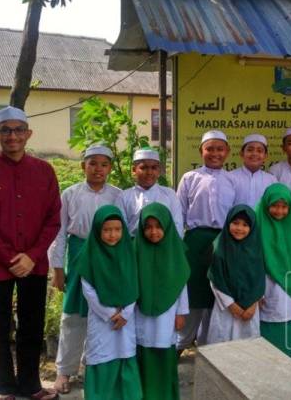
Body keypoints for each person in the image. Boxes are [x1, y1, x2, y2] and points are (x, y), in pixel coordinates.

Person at [0, 106, 61, 400]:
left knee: (32, 324)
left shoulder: (44, 171)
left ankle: (30, 384)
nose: (13, 136)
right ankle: (5, 388)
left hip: (34, 263)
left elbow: (53, 218)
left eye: (18, 129)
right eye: (6, 130)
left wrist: (32, 255)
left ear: (28, 134)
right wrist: (11, 258)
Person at [48, 144, 121, 395]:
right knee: (73, 314)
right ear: (83, 166)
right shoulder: (70, 194)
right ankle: (64, 371)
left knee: (104, 314)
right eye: (92, 163)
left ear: (110, 167)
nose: (98, 169)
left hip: (109, 257)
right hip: (79, 256)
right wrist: (57, 267)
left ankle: (95, 366)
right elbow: (59, 233)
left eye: (103, 164)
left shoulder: (118, 196)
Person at [176, 130, 236, 349]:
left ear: (227, 152)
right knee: (192, 295)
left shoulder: (232, 180)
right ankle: (180, 344)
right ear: (201, 150)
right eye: (209, 148)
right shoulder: (190, 178)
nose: (215, 153)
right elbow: (178, 214)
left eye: (220, 149)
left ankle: (208, 350)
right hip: (193, 243)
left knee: (216, 297)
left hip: (223, 243)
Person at [78, 205, 141, 400]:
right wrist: (109, 313)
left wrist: (126, 313)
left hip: (125, 320)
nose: (112, 235)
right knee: (101, 354)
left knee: (124, 352)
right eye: (106, 230)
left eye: (117, 229)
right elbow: (88, 289)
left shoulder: (129, 253)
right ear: (97, 230)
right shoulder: (90, 254)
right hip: (102, 319)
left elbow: (135, 284)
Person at [134, 203, 189, 400]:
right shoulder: (136, 249)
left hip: (168, 314)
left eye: (158, 227)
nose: (153, 232)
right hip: (141, 314)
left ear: (167, 226)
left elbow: (182, 282)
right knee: (143, 351)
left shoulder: (176, 251)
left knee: (164, 349)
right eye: (148, 227)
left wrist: (181, 312)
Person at [256, 183, 291, 365]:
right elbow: (252, 260)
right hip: (265, 284)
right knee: (266, 321)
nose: (279, 211)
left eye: (284, 206)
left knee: (287, 321)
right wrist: (257, 291)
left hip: (287, 284)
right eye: (275, 206)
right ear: (266, 204)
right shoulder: (257, 224)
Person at [207, 204, 265, 344]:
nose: (239, 228)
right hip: (226, 309)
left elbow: (260, 279)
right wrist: (232, 305)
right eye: (235, 223)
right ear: (228, 223)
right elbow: (215, 280)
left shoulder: (256, 250)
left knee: (248, 349)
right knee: (222, 346)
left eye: (245, 225)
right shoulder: (219, 247)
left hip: (250, 309)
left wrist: (252, 305)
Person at [116, 148, 183, 237]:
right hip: (134, 247)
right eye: (143, 168)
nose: (149, 172)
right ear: (134, 170)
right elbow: (120, 227)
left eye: (154, 168)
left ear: (159, 171)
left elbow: (177, 225)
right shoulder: (124, 196)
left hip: (163, 247)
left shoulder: (169, 194)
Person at [229, 134, 277, 208]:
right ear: (242, 154)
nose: (254, 154)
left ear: (265, 156)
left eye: (259, 151)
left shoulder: (272, 180)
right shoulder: (230, 177)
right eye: (250, 150)